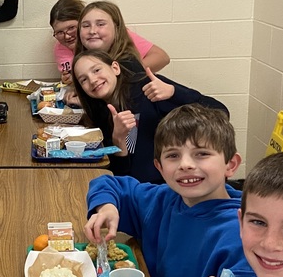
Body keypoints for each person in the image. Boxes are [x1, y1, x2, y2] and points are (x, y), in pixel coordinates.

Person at [84, 104, 256, 277]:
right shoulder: (163, 199)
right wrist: (107, 207)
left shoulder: (243, 239)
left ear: (231, 164)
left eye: (201, 154)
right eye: (173, 156)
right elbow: (108, 184)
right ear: (159, 168)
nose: (185, 164)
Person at [72, 49, 228, 183]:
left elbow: (220, 112)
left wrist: (173, 92)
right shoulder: (101, 111)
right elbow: (120, 174)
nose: (92, 80)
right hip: (136, 192)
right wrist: (118, 139)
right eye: (83, 79)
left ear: (115, 68)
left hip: (169, 187)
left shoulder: (146, 88)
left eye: (97, 70)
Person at [75, 0, 170, 72]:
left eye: (101, 24)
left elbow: (163, 57)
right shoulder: (82, 61)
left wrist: (127, 73)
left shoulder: (129, 63)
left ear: (117, 29)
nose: (92, 31)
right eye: (86, 26)